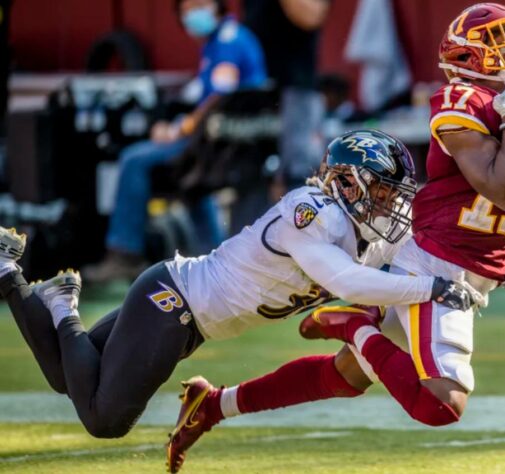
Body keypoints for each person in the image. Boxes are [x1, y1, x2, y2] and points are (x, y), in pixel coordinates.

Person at [165, 3, 505, 471]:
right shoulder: (461, 101)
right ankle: (352, 322)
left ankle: (213, 405)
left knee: (346, 375)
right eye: (502, 46)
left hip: (468, 265)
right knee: (441, 404)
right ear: (468, 57)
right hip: (436, 265)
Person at [0, 130, 479, 466]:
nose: (390, 207)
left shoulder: (366, 232)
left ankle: (11, 273)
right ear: (350, 183)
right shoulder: (312, 213)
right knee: (105, 419)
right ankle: (62, 305)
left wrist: (489, 266)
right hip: (172, 302)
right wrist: (433, 288)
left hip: (186, 314)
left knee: (69, 379)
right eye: (382, 193)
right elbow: (351, 284)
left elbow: (427, 244)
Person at [83, 0, 267, 284]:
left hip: (222, 145)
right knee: (190, 183)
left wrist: (178, 129)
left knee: (134, 159)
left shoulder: (228, 42)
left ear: (217, 6)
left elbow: (220, 98)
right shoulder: (221, 40)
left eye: (199, 4)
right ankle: (214, 258)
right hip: (222, 143)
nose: (193, 13)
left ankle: (124, 253)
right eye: (186, 8)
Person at [243, 0, 332, 200]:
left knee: (300, 176)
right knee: (253, 178)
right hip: (256, 92)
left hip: (296, 91)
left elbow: (311, 16)